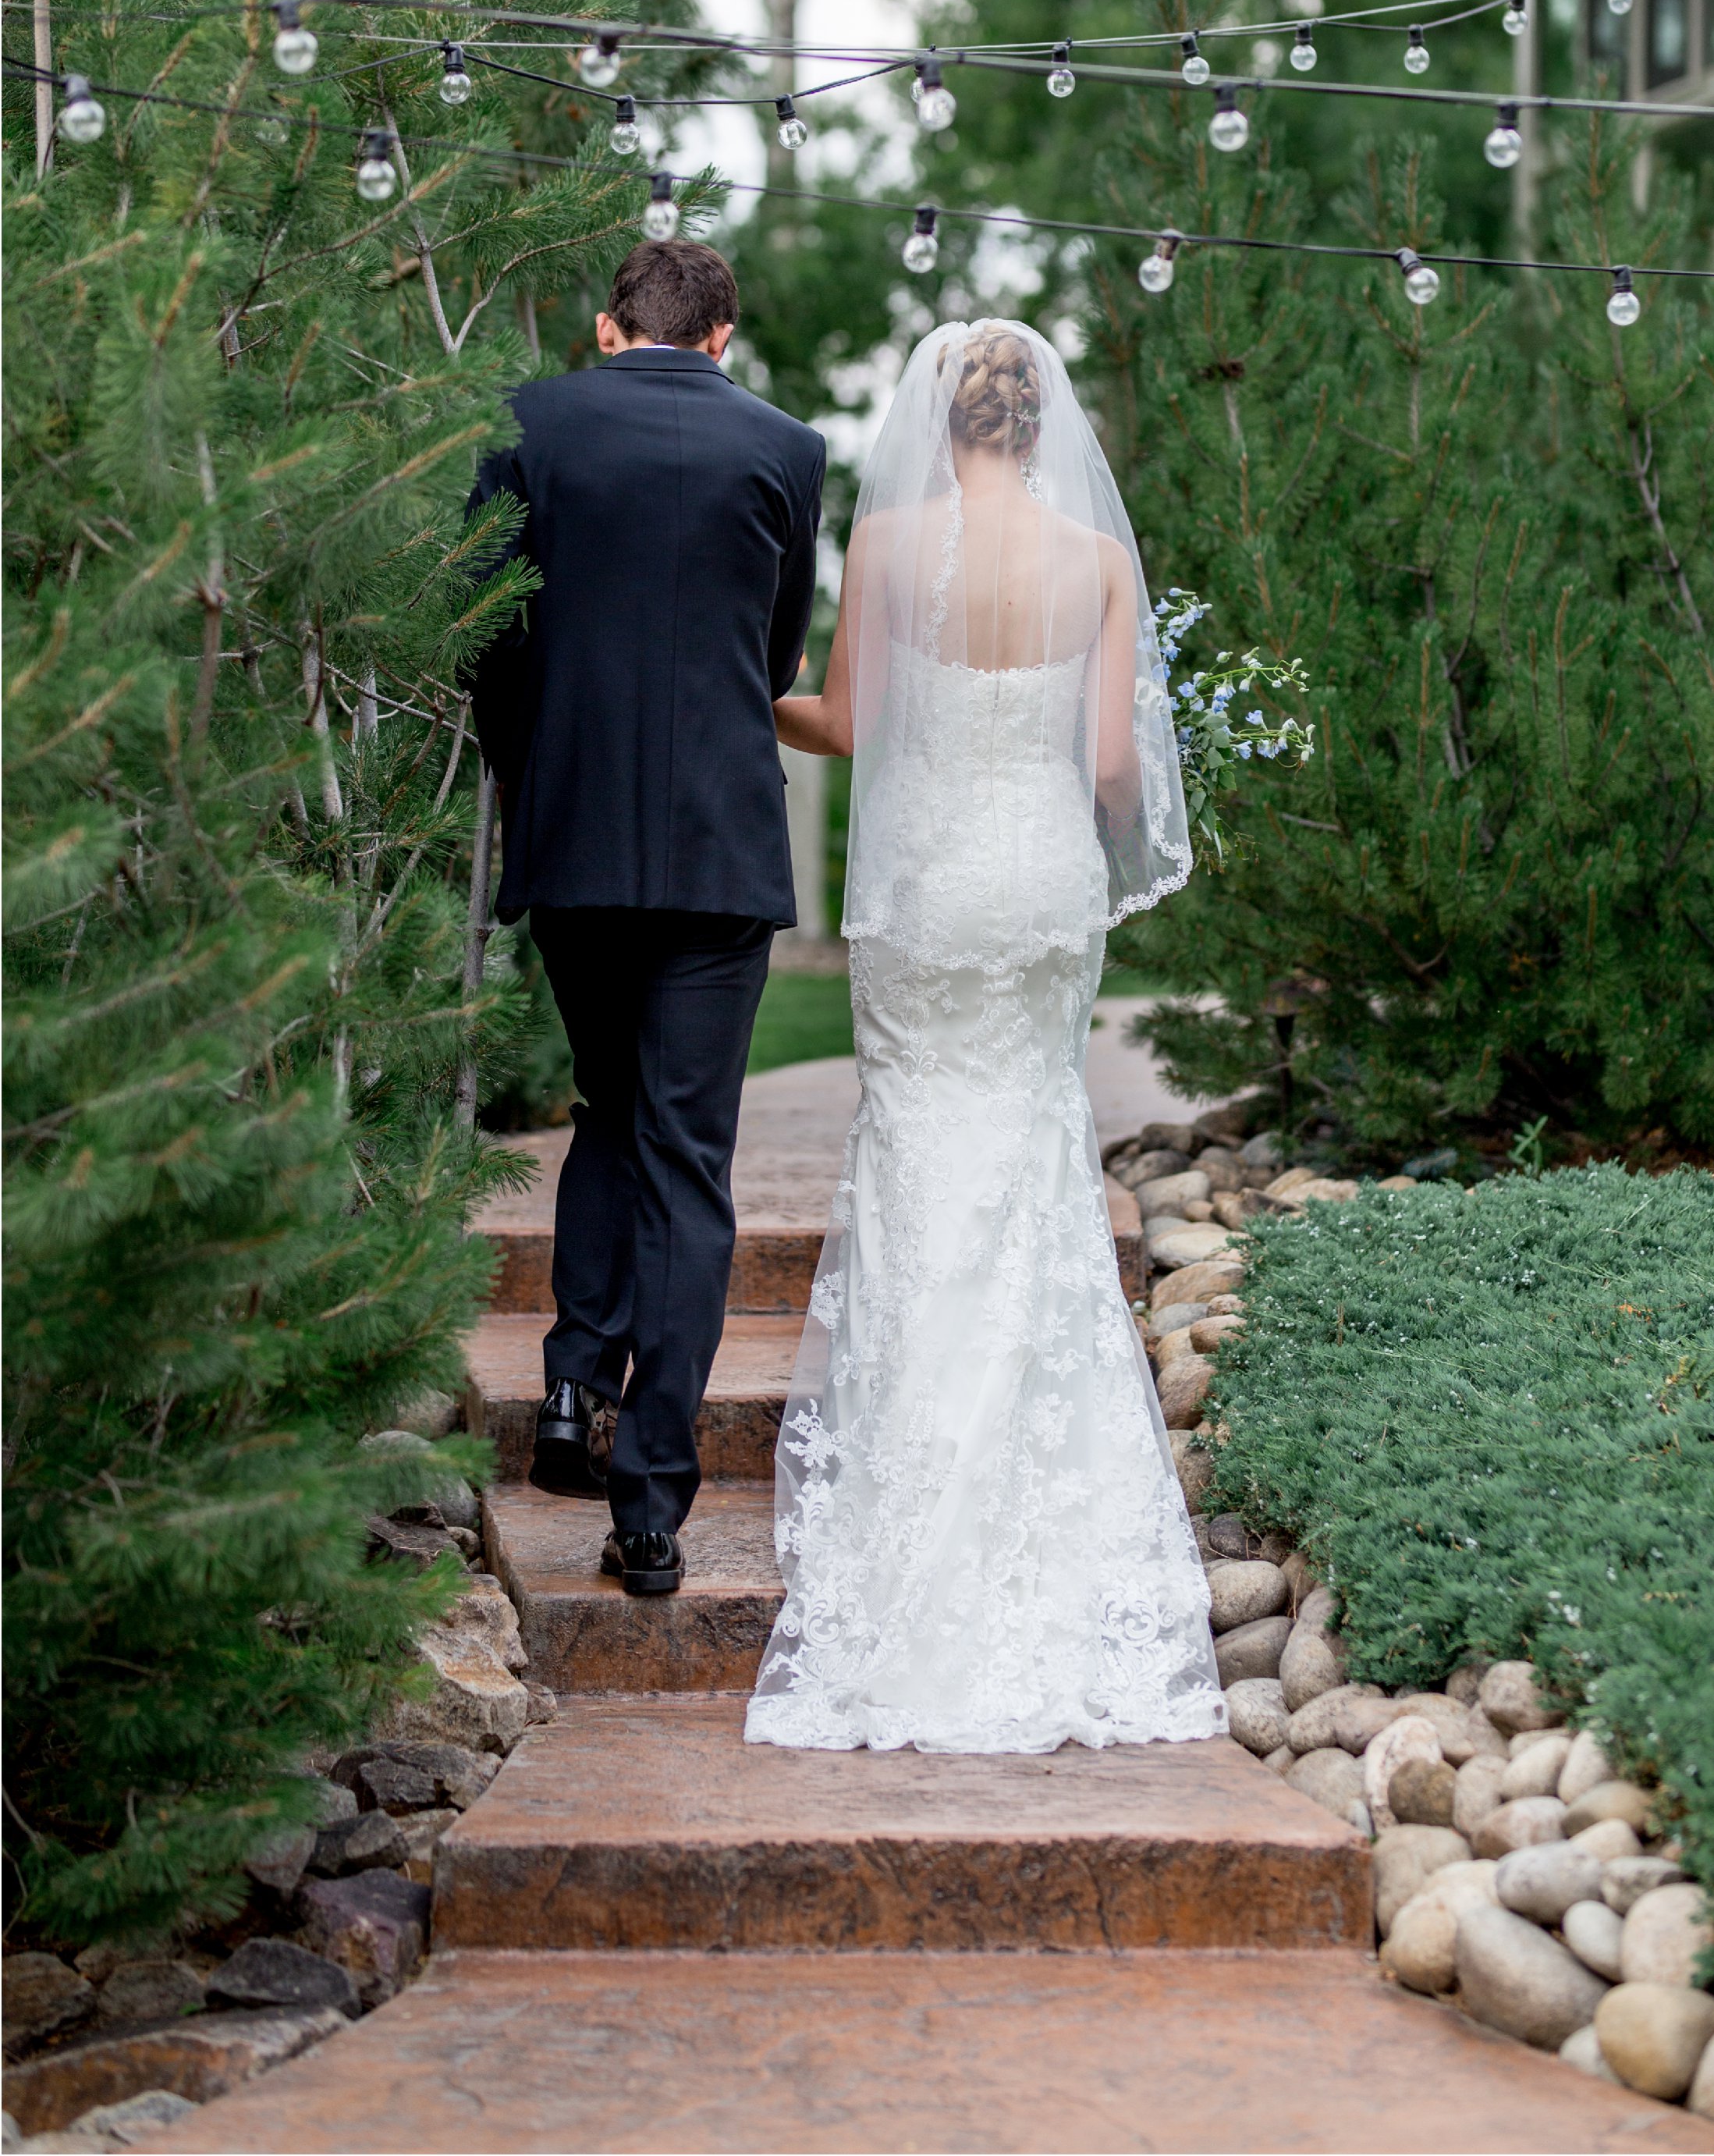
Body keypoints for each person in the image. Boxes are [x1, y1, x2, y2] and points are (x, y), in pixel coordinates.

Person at [743, 319, 1225, 1753]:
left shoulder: (889, 545)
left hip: (926, 890)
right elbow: (1114, 762)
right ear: (1036, 425)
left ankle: (917, 1503)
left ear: (941, 420)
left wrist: (732, 687)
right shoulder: (1102, 563)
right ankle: (1042, 1496)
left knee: (921, 1163)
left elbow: (843, 721)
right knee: (1030, 1156)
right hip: (1038, 890)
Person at [465, 238, 825, 1598]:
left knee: (606, 1107)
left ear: (607, 329)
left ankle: (570, 1387)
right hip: (720, 850)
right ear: (721, 336)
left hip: (575, 839)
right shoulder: (788, 448)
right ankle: (652, 1502)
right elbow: (775, 656)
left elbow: (492, 635)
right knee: (685, 1155)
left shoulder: (528, 419)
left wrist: (538, 760)